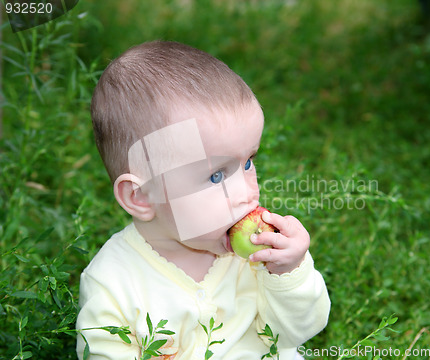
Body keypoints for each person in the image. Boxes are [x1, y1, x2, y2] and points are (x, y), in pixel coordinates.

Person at [76, 40, 330, 360]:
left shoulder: (256, 259)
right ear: (141, 197)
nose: (247, 193)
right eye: (216, 176)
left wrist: (288, 273)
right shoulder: (113, 284)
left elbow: (296, 332)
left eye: (248, 162)